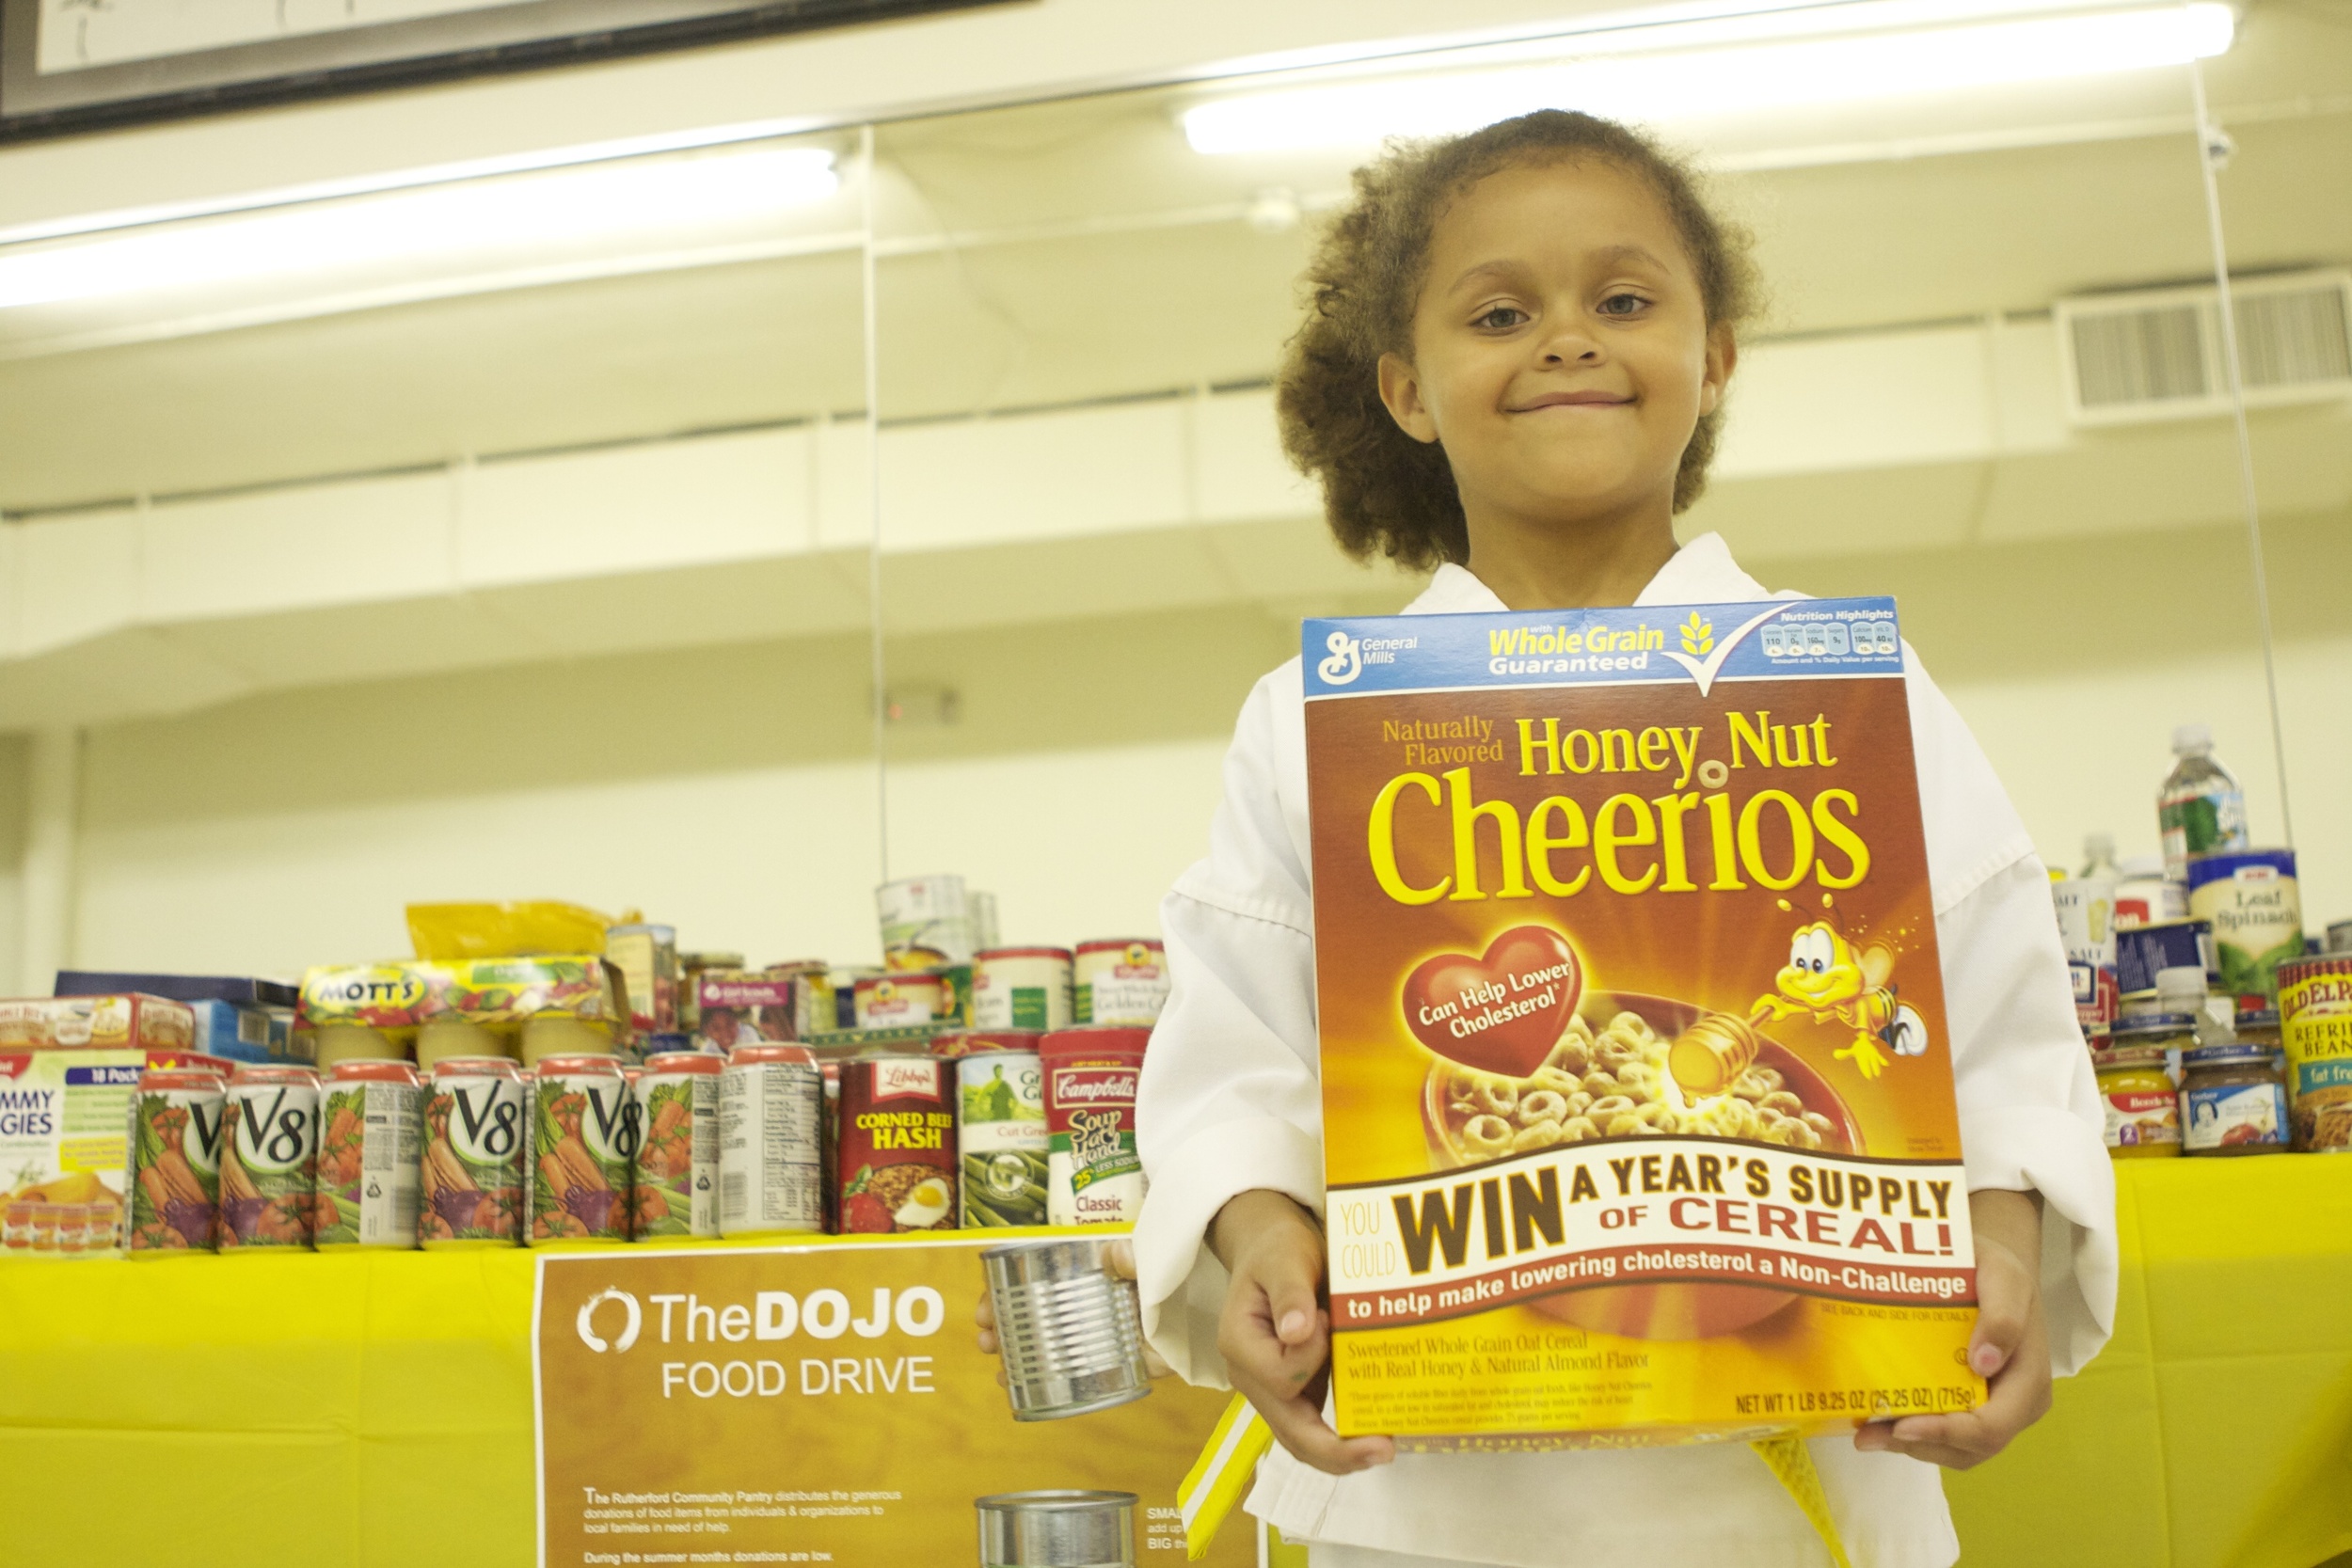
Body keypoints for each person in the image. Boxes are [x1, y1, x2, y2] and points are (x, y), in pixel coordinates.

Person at [1118, 110, 2117, 1568]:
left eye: (1627, 300)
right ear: (1406, 389)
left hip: (1807, 1479)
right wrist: (1263, 1237)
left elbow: (2001, 1027)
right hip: (1439, 1504)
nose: (1568, 340)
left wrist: (2006, 1244)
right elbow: (1234, 1062)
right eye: (1499, 314)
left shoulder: (1848, 692)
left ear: (1714, 361)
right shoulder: (1313, 723)